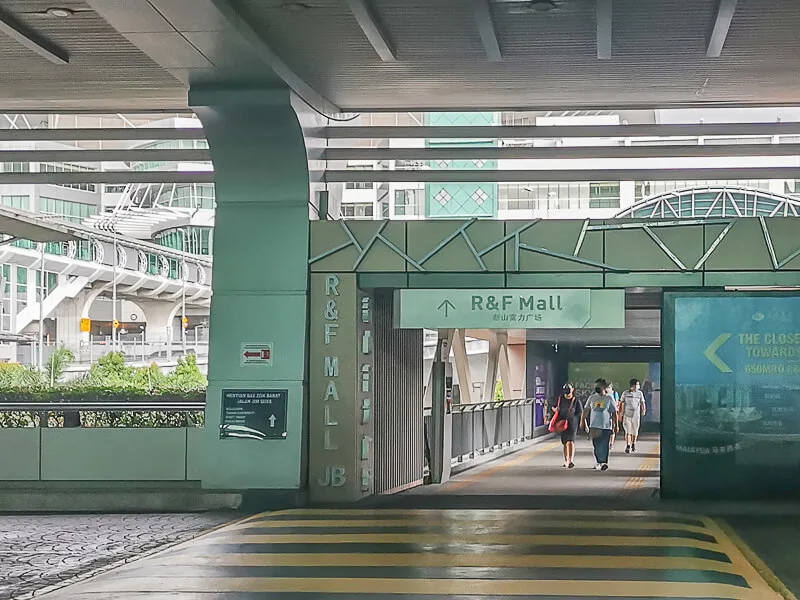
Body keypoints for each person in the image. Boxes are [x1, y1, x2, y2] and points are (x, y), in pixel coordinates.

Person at [581, 379, 618, 471]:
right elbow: (586, 410)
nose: (596, 388)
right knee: (596, 445)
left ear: (604, 387)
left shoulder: (609, 398)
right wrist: (583, 421)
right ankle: (599, 462)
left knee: (605, 445)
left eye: (599, 386)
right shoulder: (592, 398)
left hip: (606, 426)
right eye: (596, 386)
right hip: (594, 426)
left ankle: (604, 462)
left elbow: (614, 413)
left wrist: (616, 425)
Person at [552, 383, 582, 469]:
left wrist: (581, 423)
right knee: (565, 442)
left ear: (573, 389)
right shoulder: (560, 399)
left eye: (569, 390)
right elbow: (553, 407)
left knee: (571, 441)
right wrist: (556, 409)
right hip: (562, 422)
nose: (567, 393)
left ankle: (571, 460)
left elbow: (579, 412)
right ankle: (566, 460)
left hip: (572, 423)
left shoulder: (576, 400)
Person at [620, 378, 646, 453]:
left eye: (638, 385)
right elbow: (622, 402)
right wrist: (620, 413)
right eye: (636, 385)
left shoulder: (640, 393)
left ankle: (633, 444)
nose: (638, 386)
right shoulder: (625, 393)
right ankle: (628, 446)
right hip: (627, 415)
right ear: (632, 385)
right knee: (628, 431)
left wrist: (643, 410)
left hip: (636, 415)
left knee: (635, 431)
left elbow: (642, 402)